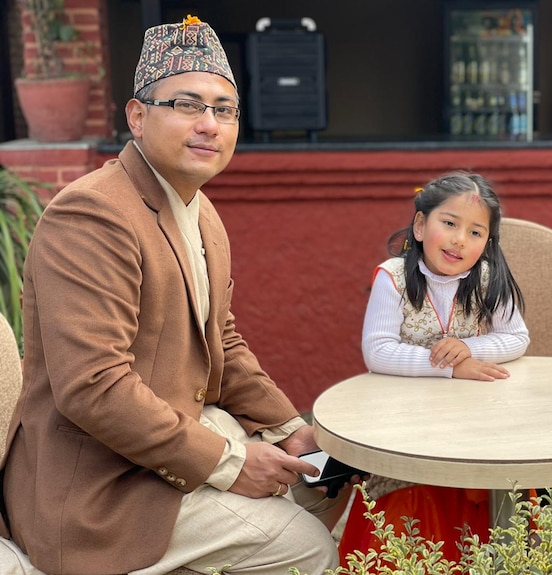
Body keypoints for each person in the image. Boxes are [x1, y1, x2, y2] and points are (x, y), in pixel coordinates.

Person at [0, 16, 353, 575]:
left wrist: (289, 429)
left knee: (327, 483)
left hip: (172, 435)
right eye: (187, 104)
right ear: (137, 117)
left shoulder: (198, 207)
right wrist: (230, 464)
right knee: (305, 546)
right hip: (97, 483)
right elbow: (94, 387)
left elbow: (223, 340)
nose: (209, 124)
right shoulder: (91, 214)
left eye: (223, 109)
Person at [337, 171, 530, 563]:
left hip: (475, 422)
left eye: (476, 233)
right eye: (450, 224)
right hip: (408, 423)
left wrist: (468, 346)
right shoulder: (391, 277)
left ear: (488, 242)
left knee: (491, 485)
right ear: (421, 225)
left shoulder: (490, 279)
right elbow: (378, 351)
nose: (461, 239)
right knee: (407, 501)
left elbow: (516, 338)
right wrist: (449, 367)